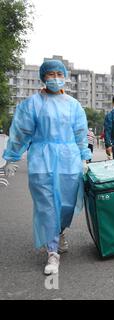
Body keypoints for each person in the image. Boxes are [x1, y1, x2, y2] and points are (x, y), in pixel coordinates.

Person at [2, 60, 91, 275]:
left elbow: (80, 133)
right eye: (50, 74)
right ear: (43, 77)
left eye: (59, 73)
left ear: (65, 76)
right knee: (47, 204)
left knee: (67, 204)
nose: (55, 77)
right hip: (41, 158)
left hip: (69, 159)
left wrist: (84, 157)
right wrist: (12, 158)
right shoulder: (31, 104)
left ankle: (59, 232)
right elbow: (20, 132)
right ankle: (52, 252)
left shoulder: (73, 105)